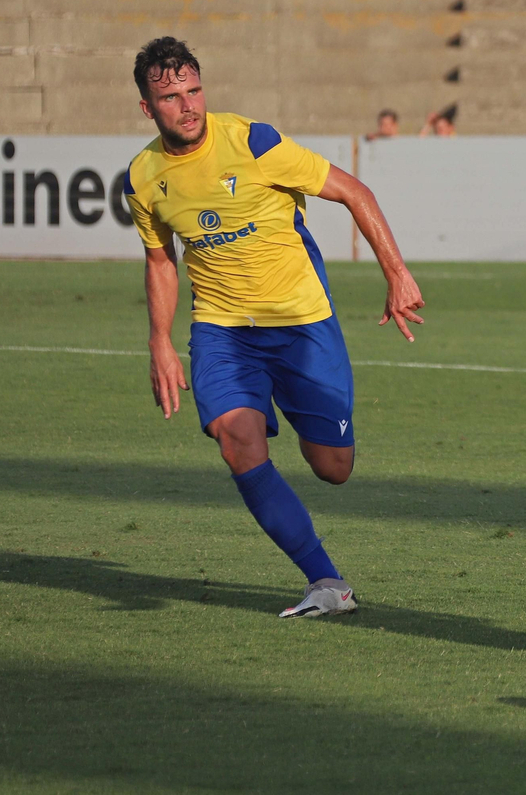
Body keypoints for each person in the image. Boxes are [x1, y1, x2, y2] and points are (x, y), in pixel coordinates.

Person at [122, 37, 425, 618]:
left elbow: (352, 191)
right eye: (170, 97)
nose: (187, 106)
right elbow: (161, 259)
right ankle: (325, 583)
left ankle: (297, 410)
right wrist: (160, 341)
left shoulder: (252, 141)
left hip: (300, 321)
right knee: (236, 439)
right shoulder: (143, 177)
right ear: (147, 108)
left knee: (334, 468)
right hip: (222, 330)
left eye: (194, 91)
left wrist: (397, 272)